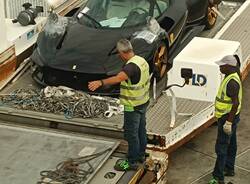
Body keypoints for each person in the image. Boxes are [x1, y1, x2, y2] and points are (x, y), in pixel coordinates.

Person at [88, 39, 150, 171]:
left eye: (119, 53)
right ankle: (140, 155)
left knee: (131, 134)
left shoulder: (130, 67)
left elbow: (118, 78)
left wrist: (100, 82)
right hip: (143, 102)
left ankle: (132, 161)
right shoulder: (141, 61)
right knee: (141, 131)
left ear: (122, 53)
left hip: (132, 106)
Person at [209, 55, 242, 184]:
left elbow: (235, 103)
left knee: (221, 147)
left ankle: (218, 177)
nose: (220, 67)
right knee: (231, 143)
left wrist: (228, 122)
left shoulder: (232, 83)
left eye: (222, 65)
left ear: (229, 67)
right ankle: (229, 168)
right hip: (231, 117)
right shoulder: (233, 75)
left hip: (227, 118)